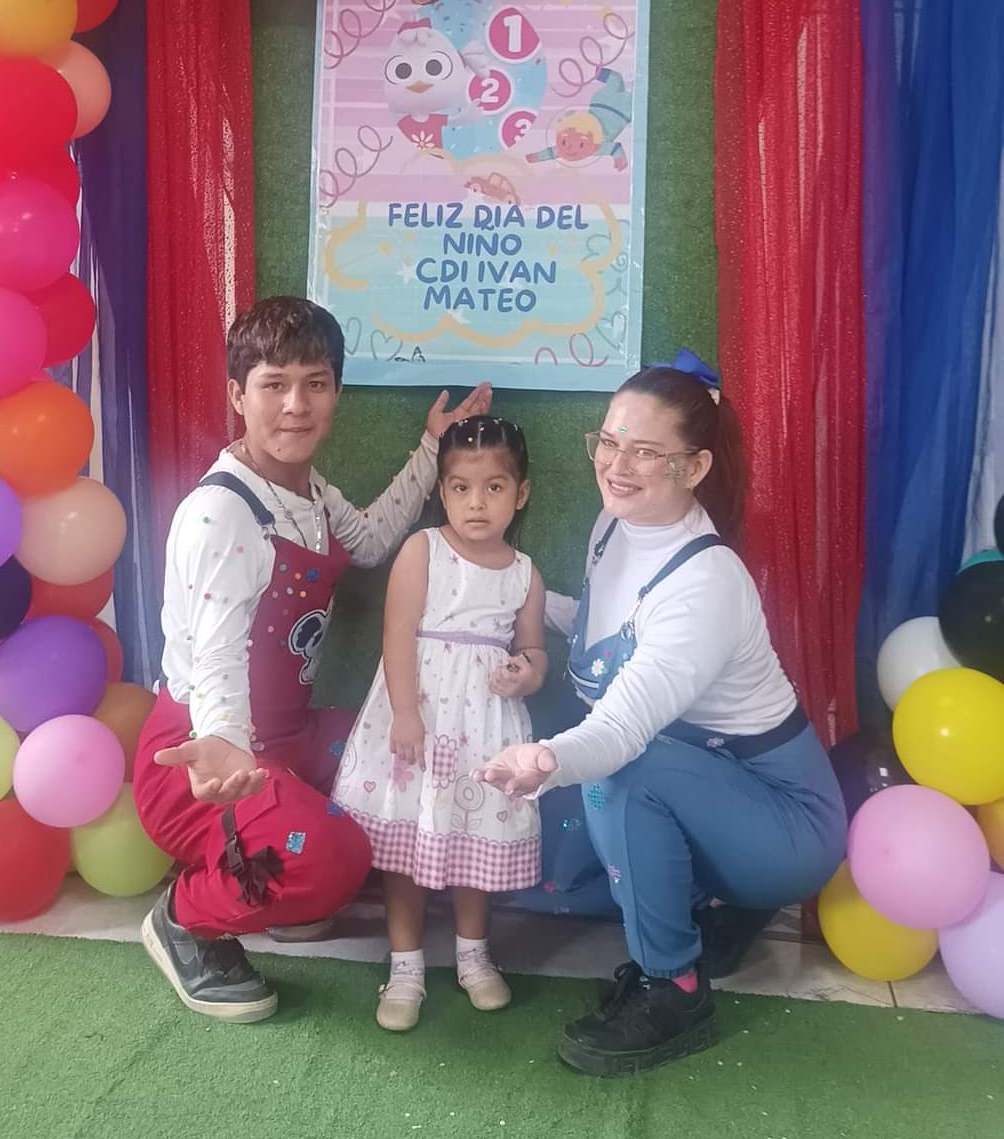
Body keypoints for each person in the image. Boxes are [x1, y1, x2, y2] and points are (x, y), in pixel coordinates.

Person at [477, 354, 846, 1078]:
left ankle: (674, 988)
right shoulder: (615, 526)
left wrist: (545, 760)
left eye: (645, 451)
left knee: (619, 778)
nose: (617, 466)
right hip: (713, 790)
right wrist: (506, 598)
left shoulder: (705, 583)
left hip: (787, 825)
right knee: (597, 808)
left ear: (695, 466)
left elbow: (620, 731)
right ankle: (719, 906)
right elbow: (603, 631)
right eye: (609, 441)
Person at [133, 294, 491, 1024]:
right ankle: (186, 919)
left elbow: (371, 541)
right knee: (336, 858)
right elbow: (217, 655)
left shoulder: (310, 490)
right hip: (204, 764)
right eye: (274, 385)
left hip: (285, 740)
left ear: (335, 392)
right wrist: (226, 745)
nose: (296, 406)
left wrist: (433, 448)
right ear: (238, 395)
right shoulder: (221, 512)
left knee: (408, 742)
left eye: (315, 383)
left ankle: (280, 877)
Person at [333, 416, 547, 1032]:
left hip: (485, 729)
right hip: (418, 721)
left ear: (520, 494)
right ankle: (405, 966)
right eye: (460, 488)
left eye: (494, 487)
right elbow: (397, 632)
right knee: (408, 843)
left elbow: (534, 652)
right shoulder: (422, 549)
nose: (476, 502)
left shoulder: (524, 573)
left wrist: (525, 674)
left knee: (469, 839)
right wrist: (405, 714)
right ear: (441, 492)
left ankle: (474, 955)